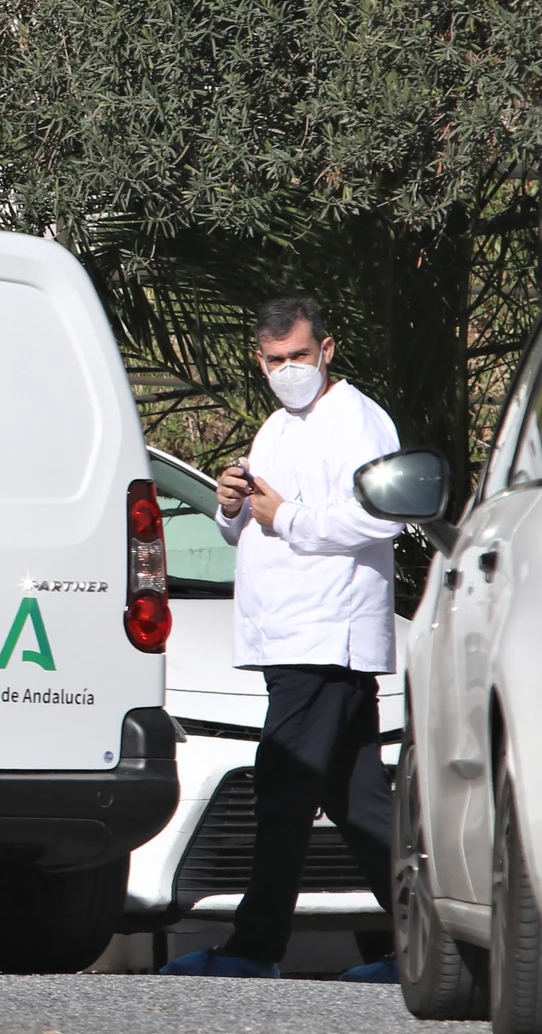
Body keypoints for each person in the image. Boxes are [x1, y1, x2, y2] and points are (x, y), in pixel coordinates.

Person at [159, 296, 401, 982]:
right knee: (359, 805)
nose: (287, 369)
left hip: (324, 635)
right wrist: (233, 504)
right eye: (274, 360)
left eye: (298, 355)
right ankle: (418, 946)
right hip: (286, 638)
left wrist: (286, 515)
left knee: (284, 789)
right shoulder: (276, 426)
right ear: (257, 360)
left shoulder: (356, 420)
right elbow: (250, 525)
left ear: (327, 349)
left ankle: (252, 945)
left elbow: (381, 518)